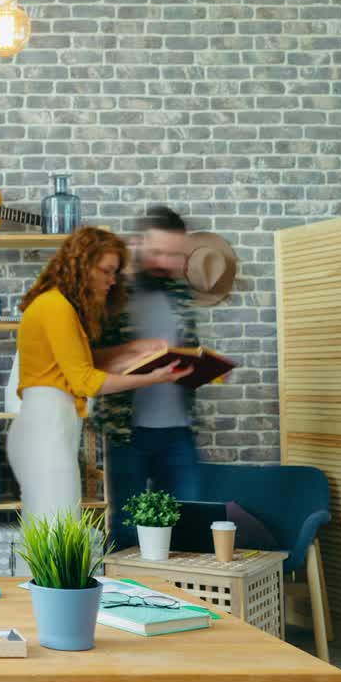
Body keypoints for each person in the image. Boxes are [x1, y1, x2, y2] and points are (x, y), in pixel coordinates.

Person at [8, 226, 192, 521]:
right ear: (82, 266)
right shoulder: (56, 307)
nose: (112, 280)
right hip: (46, 432)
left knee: (52, 533)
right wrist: (154, 378)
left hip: (49, 430)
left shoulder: (58, 304)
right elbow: (86, 382)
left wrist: (133, 349)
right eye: (106, 271)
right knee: (56, 534)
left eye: (115, 273)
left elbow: (82, 363)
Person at [92, 206, 205, 547]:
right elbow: (87, 361)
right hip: (126, 433)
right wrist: (134, 354)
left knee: (189, 525)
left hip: (179, 432)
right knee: (127, 530)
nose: (165, 262)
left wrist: (203, 369)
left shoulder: (182, 295)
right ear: (136, 244)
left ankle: (184, 597)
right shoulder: (110, 292)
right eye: (158, 252)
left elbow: (187, 349)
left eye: (173, 255)